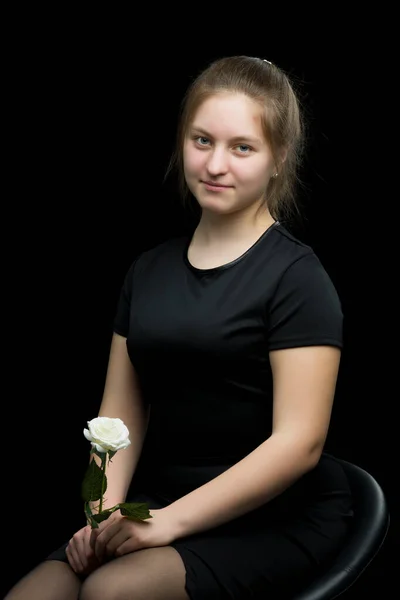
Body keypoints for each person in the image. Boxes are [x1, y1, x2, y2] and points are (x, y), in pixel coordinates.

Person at [6, 55, 354, 600]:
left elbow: (299, 443)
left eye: (242, 147)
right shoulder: (147, 271)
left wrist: (167, 523)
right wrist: (103, 515)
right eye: (201, 141)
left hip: (273, 516)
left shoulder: (297, 278)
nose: (216, 164)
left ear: (278, 158)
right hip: (159, 499)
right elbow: (117, 418)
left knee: (110, 592)